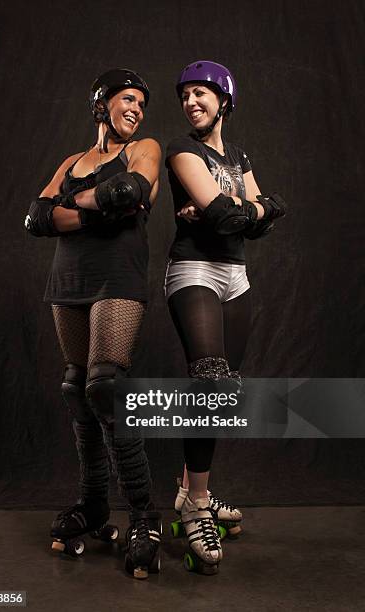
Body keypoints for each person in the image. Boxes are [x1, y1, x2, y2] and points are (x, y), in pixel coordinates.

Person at [25, 68, 162, 579]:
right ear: (102, 103)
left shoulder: (145, 147)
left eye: (141, 104)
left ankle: (144, 516)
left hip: (117, 279)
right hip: (69, 280)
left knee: (107, 385)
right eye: (128, 99)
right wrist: (98, 206)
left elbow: (130, 192)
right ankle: (95, 504)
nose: (137, 110)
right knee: (77, 387)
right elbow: (37, 218)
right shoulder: (73, 161)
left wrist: (75, 205)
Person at [164, 60, 286, 574]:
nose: (192, 101)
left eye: (201, 93)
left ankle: (193, 491)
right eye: (186, 95)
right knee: (209, 381)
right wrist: (253, 207)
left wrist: (242, 208)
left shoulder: (237, 155)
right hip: (193, 270)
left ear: (224, 101)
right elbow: (238, 215)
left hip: (237, 277)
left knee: (223, 392)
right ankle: (194, 507)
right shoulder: (181, 151)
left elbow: (246, 220)